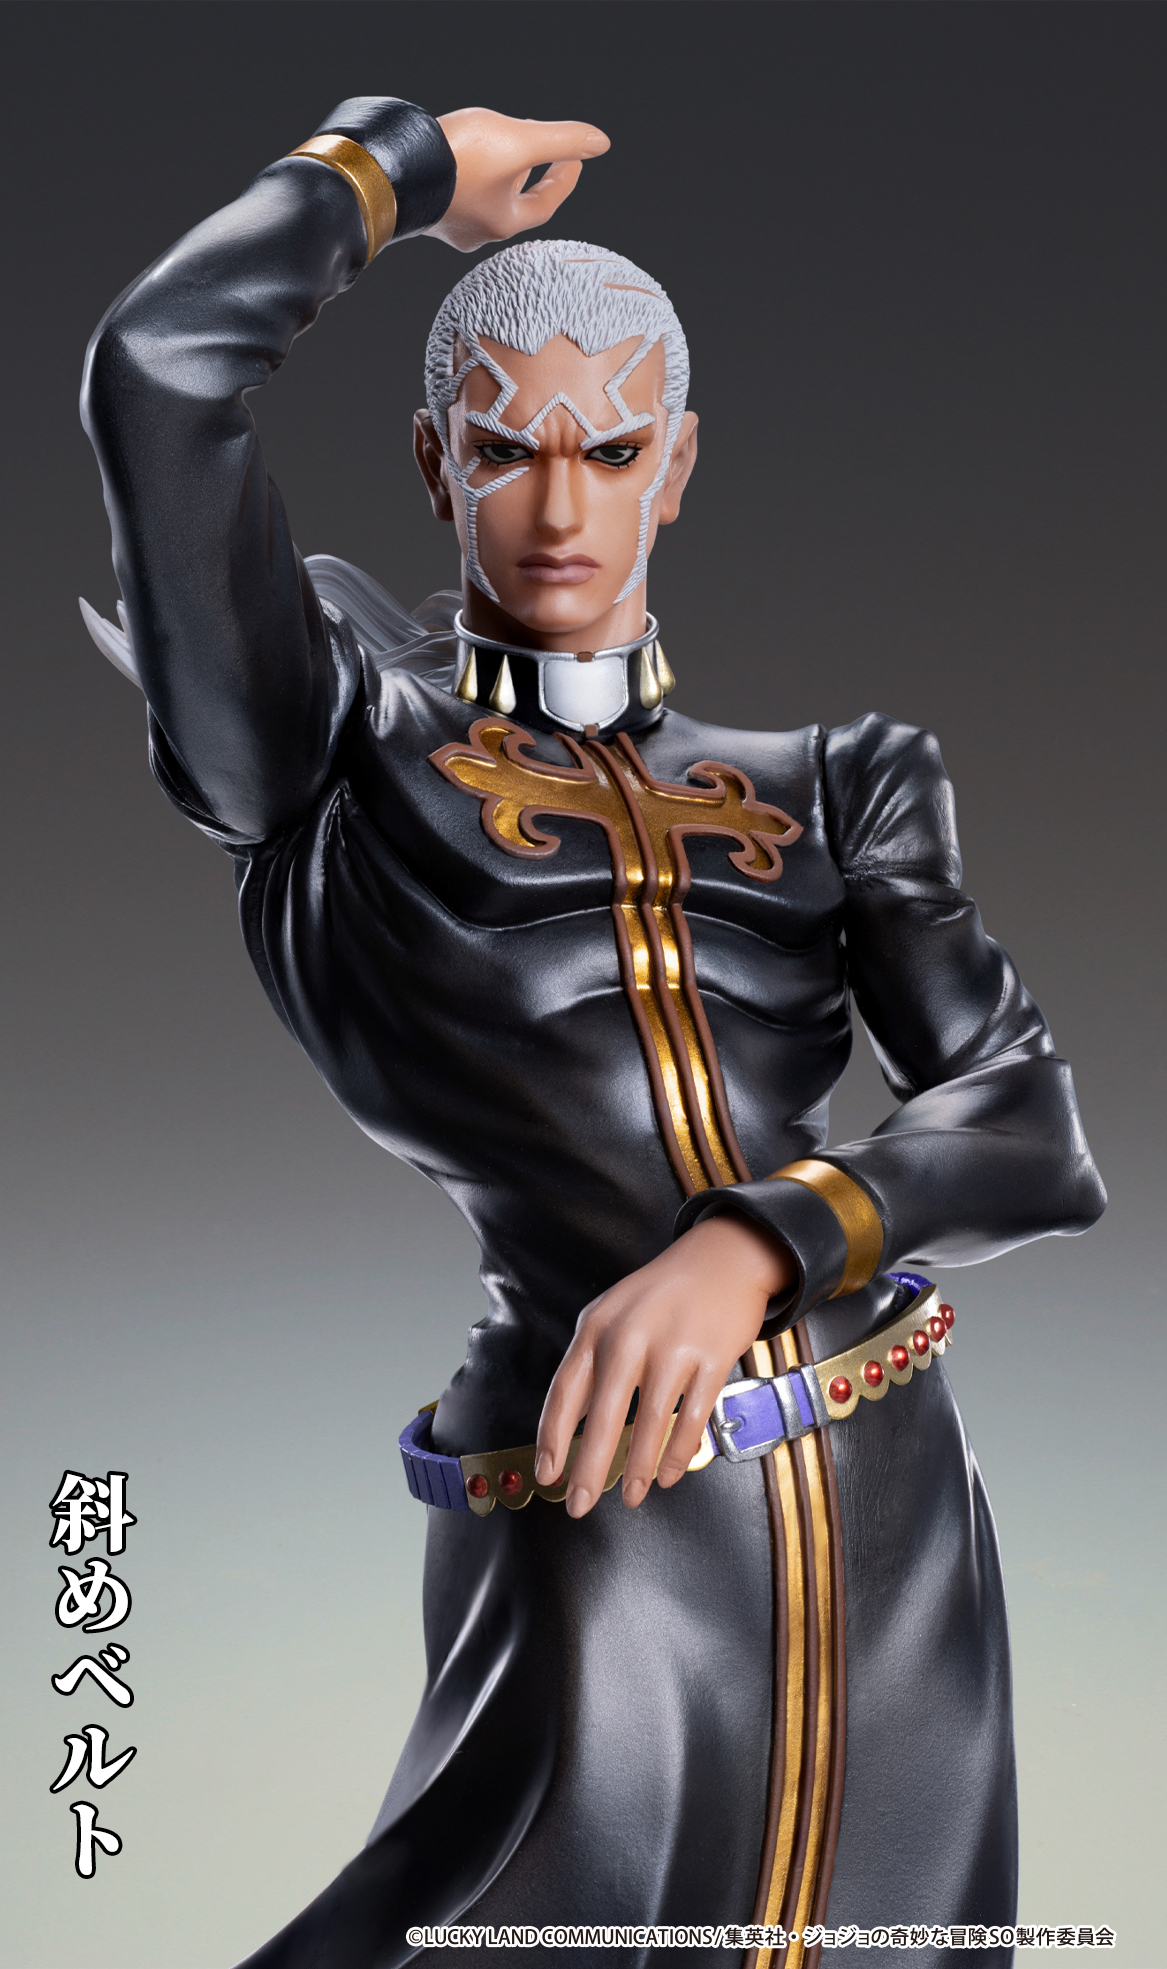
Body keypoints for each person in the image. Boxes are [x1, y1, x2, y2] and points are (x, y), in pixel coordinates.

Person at [80, 97, 1105, 1969]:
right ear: (435, 459)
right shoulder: (330, 757)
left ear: (679, 463)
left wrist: (757, 1240)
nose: (562, 511)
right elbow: (158, 369)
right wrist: (395, 165)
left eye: (614, 449)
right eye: (507, 450)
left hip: (898, 1522)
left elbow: (1032, 1128)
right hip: (593, 1512)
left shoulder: (840, 779)